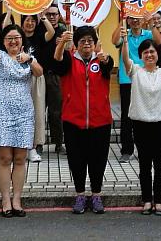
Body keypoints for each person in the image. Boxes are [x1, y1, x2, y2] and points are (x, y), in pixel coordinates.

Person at [121, 30, 161, 216]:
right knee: (144, 165)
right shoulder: (135, 71)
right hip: (140, 125)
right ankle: (147, 200)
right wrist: (125, 42)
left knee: (160, 164)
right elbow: (125, 59)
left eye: (152, 52)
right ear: (140, 56)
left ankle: (159, 201)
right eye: (145, 52)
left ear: (157, 55)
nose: (149, 55)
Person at [51, 26, 113, 215]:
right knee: (76, 160)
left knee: (98, 160)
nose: (86, 44)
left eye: (90, 41)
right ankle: (79, 194)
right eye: (82, 41)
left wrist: (105, 59)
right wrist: (62, 42)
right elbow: (57, 62)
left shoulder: (102, 60)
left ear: (95, 43)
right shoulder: (69, 60)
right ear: (76, 45)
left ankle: (96, 195)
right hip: (73, 120)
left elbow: (108, 66)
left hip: (100, 120)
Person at [0, 24, 44, 217]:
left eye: (16, 37)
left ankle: (17, 199)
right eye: (9, 38)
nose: (13, 41)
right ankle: (5, 200)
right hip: (3, 112)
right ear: (4, 41)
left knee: (20, 159)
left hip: (24, 113)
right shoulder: (0, 57)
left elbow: (39, 72)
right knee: (5, 158)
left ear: (22, 40)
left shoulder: (27, 58)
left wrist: (29, 59)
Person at [3, 10, 55, 162]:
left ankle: (33, 147)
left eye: (33, 20)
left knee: (36, 113)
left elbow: (51, 32)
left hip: (36, 77)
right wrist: (10, 10)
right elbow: (5, 28)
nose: (30, 23)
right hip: (17, 78)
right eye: (27, 20)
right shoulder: (17, 37)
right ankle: (16, 146)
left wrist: (42, 15)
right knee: (16, 113)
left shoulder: (40, 36)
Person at [111, 14, 161, 163]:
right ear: (128, 20)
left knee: (147, 113)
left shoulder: (148, 34)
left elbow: (159, 43)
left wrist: (152, 23)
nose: (135, 21)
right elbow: (114, 41)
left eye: (138, 18)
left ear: (142, 20)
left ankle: (147, 148)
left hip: (146, 78)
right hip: (127, 79)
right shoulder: (124, 34)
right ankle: (127, 150)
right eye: (132, 18)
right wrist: (121, 21)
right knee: (127, 116)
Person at [41, 3, 66, 154]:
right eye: (49, 14)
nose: (51, 17)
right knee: (38, 111)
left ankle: (58, 143)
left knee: (56, 112)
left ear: (59, 16)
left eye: (54, 14)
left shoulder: (64, 31)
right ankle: (38, 143)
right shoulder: (39, 29)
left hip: (56, 76)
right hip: (40, 76)